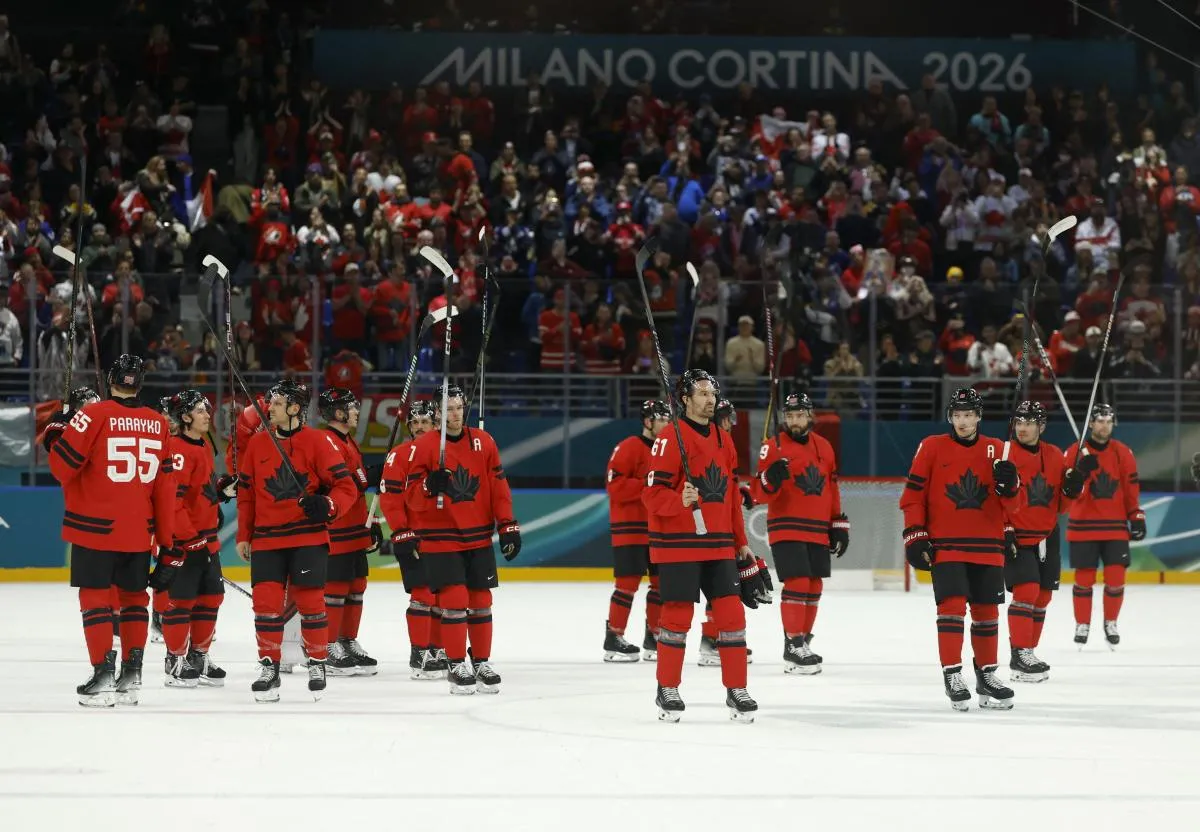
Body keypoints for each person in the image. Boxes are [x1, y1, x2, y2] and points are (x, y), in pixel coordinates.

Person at [44, 354, 176, 707]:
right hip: (138, 532)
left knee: (95, 599)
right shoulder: (158, 424)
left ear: (110, 379)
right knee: (135, 600)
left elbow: (62, 467)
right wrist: (167, 542)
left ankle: (102, 674)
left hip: (94, 529)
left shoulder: (94, 415)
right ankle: (132, 676)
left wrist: (59, 428)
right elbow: (165, 489)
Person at [641, 369, 767, 723]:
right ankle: (667, 687)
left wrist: (740, 542)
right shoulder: (668, 438)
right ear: (685, 399)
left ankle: (736, 688)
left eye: (712, 393)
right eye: (701, 393)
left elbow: (729, 498)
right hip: (678, 545)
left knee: (731, 616)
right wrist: (678, 500)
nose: (710, 399)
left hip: (719, 545)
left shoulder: (724, 440)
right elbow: (650, 494)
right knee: (677, 618)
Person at [899, 387, 1023, 711]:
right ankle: (953, 674)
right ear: (950, 417)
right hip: (947, 544)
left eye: (969, 415)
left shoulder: (999, 449)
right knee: (951, 607)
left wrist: (1011, 485)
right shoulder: (931, 447)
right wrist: (914, 533)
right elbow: (913, 496)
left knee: (987, 612)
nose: (963, 421)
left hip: (987, 545)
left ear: (979, 417)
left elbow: (1014, 504)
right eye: (958, 414)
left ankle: (987, 675)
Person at [236, 380, 359, 702]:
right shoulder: (258, 444)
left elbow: (346, 486)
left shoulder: (318, 442)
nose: (269, 408)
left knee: (310, 604)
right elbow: (247, 495)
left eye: (276, 404)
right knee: (265, 605)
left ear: (294, 408)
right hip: (266, 538)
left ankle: (317, 661)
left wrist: (328, 505)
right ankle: (269, 665)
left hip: (307, 536)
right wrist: (243, 535)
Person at [403, 385, 522, 695]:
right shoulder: (425, 446)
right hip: (441, 538)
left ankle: (480, 660)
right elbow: (412, 498)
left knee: (481, 601)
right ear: (437, 413)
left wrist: (507, 524)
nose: (454, 414)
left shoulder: (484, 442)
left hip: (478, 535)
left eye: (458, 408)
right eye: (448, 409)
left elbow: (498, 486)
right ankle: (456, 663)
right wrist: (429, 485)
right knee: (455, 601)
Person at [751, 392, 849, 675]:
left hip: (817, 527)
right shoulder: (772, 447)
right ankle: (793, 643)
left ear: (810, 416)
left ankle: (802, 642)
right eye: (789, 416)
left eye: (799, 415)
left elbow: (832, 487)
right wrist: (770, 478)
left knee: (814, 584)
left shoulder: (825, 447)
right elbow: (758, 493)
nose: (794, 421)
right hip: (786, 526)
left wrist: (837, 523)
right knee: (798, 582)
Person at [1003, 401, 1096, 682]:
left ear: (1041, 426)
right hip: (1017, 535)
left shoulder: (1055, 455)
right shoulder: (1005, 453)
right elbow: (994, 498)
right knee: (1027, 591)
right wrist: (1005, 528)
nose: (1022, 428)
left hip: (1047, 534)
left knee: (1042, 597)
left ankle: (1027, 654)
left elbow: (1063, 507)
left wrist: (1075, 484)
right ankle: (1020, 653)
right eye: (1019, 422)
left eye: (1029, 423)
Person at [162, 389, 234, 688]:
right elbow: (172, 501)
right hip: (185, 541)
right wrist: (188, 538)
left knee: (211, 597)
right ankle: (175, 659)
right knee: (182, 601)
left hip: (207, 540)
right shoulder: (177, 449)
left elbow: (199, 488)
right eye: (202, 410)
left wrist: (221, 490)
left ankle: (199, 656)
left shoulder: (203, 445)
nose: (207, 414)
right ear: (186, 416)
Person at [1065, 404, 1143, 648]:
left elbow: (1131, 490)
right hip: (1083, 525)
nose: (1104, 426)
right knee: (1084, 579)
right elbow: (1068, 495)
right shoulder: (1074, 453)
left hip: (1115, 525)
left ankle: (1111, 622)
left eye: (1109, 421)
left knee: (1116, 577)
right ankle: (1082, 624)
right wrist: (1081, 474)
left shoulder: (1123, 452)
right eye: (1099, 421)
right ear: (1090, 424)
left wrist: (1136, 516)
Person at [380, 399, 447, 679]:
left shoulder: (447, 452)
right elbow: (390, 497)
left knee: (444, 595)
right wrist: (400, 530)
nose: (419, 427)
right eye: (415, 422)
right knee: (423, 594)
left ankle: (439, 649)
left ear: (436, 425)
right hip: (413, 536)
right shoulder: (399, 454)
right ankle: (419, 652)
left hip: (445, 536)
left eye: (425, 422)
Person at [318, 387, 381, 676]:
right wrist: (368, 475)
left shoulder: (348, 441)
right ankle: (328, 645)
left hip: (355, 524)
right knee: (336, 588)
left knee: (357, 586)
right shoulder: (327, 441)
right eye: (352, 407)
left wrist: (373, 522)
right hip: (338, 525)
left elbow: (359, 477)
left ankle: (347, 639)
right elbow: (344, 480)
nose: (357, 411)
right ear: (338, 413)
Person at [602, 399, 670, 662]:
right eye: (660, 419)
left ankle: (654, 635)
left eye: (667, 419)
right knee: (627, 585)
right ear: (648, 422)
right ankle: (614, 636)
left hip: (659, 530)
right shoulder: (628, 447)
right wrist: (648, 485)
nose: (665, 424)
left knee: (661, 586)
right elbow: (615, 486)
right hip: (630, 530)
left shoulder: (668, 451)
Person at [697, 396, 762, 666]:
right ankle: (711, 641)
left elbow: (727, 486)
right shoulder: (708, 443)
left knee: (724, 589)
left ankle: (715, 639)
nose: (730, 424)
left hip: (722, 529)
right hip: (705, 530)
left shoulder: (725, 444)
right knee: (719, 589)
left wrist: (740, 494)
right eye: (727, 419)